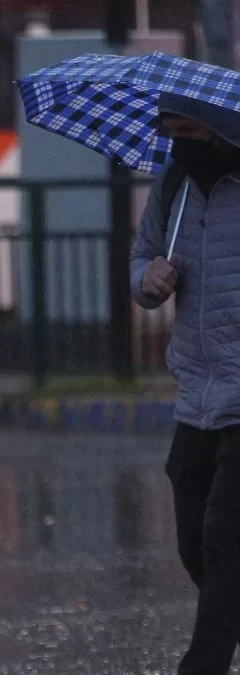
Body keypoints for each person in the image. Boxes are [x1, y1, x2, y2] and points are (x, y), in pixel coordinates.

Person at [131, 93, 240, 675]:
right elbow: (142, 253)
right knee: (195, 545)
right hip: (198, 392)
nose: (178, 145)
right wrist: (147, 280)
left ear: (218, 133)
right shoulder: (174, 184)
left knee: (226, 539)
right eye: (169, 132)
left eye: (187, 132)